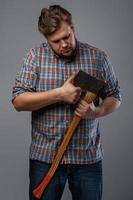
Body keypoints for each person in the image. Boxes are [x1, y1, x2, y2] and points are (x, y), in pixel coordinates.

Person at [12, 5, 122, 200]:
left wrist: (94, 112)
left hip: (87, 158)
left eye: (67, 36)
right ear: (46, 39)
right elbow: (19, 101)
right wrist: (59, 94)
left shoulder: (97, 58)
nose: (64, 44)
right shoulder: (35, 57)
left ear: (73, 28)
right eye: (56, 41)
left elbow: (115, 96)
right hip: (45, 158)